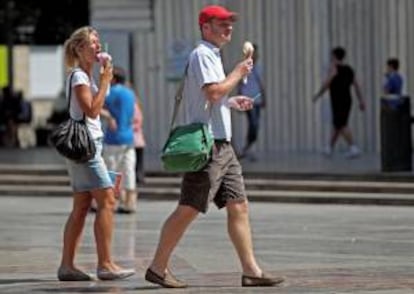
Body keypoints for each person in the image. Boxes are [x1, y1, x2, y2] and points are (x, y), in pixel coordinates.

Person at [144, 5, 284, 288]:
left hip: (224, 147)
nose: (228, 28)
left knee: (239, 205)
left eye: (230, 23)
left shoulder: (213, 56)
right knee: (188, 208)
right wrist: (238, 72)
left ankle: (251, 271)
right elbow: (214, 90)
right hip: (208, 147)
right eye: (221, 24)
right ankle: (157, 267)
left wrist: (231, 103)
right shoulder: (202, 55)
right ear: (205, 27)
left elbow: (213, 98)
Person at [57, 26, 135, 281]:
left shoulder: (87, 77)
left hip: (91, 145)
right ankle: (106, 264)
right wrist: (104, 82)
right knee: (108, 201)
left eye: (98, 41)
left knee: (81, 206)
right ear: (79, 49)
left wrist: (102, 79)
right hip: (86, 148)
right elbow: (91, 110)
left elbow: (94, 107)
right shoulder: (79, 76)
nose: (97, 46)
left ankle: (67, 266)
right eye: (92, 43)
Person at [313, 46, 365, 158]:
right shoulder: (349, 69)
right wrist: (361, 100)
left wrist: (317, 95)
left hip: (338, 100)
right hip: (347, 99)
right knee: (337, 124)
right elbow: (356, 86)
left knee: (341, 124)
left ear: (335, 56)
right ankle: (329, 147)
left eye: (332, 55)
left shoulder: (334, 68)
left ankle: (353, 147)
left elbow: (327, 83)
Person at [102, 66, 137, 214]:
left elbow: (96, 107)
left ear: (114, 78)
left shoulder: (110, 93)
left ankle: (114, 200)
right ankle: (129, 202)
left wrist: (109, 117)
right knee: (128, 169)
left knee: (112, 171)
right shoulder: (130, 93)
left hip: (113, 138)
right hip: (128, 137)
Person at [237, 43, 266, 161]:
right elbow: (240, 84)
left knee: (255, 125)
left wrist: (264, 98)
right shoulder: (244, 67)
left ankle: (248, 148)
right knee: (253, 124)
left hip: (257, 100)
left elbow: (261, 85)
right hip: (247, 100)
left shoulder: (259, 67)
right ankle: (248, 148)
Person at [133, 98, 146, 184]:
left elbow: (135, 122)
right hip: (139, 140)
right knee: (139, 161)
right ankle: (139, 176)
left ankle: (137, 177)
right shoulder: (138, 107)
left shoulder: (133, 107)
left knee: (135, 161)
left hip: (134, 139)